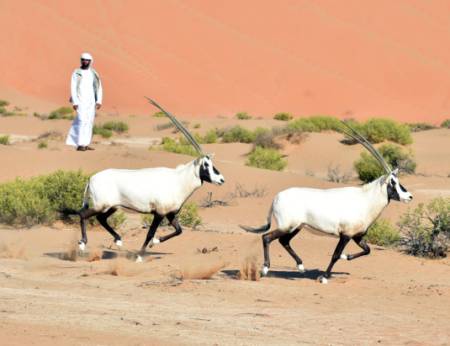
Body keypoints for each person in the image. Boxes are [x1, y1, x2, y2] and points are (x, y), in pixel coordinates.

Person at [66, 52, 102, 151]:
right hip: (80, 101)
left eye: (87, 60)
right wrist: (75, 102)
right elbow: (73, 87)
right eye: (83, 59)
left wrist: (99, 100)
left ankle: (86, 144)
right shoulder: (77, 72)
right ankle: (80, 144)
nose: (85, 61)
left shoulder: (94, 73)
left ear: (90, 61)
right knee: (81, 121)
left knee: (89, 121)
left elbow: (99, 87)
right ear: (81, 61)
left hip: (91, 102)